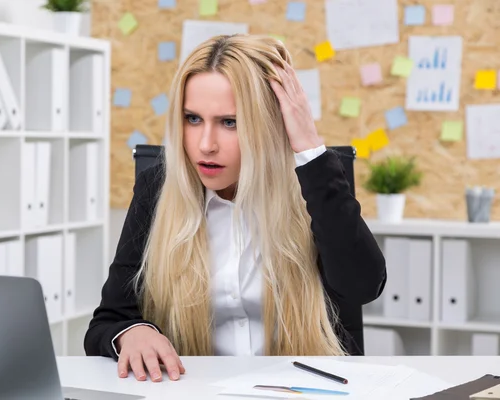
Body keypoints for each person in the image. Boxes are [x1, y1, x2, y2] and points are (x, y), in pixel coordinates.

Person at [84, 34, 386, 383]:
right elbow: (106, 322)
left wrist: (308, 146)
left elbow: (362, 286)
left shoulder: (313, 188)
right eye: (193, 119)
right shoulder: (158, 190)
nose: (206, 145)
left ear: (269, 124)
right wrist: (131, 333)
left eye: (230, 122)